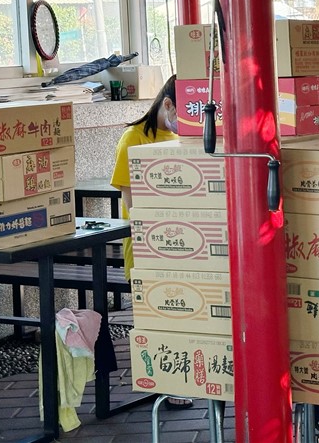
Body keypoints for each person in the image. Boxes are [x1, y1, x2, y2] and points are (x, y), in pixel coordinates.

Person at [109, 74, 190, 410]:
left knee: (182, 314)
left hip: (186, 244)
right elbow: (131, 202)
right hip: (146, 244)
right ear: (167, 103)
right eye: (183, 112)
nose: (187, 122)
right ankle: (166, 383)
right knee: (155, 315)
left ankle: (178, 377)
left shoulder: (189, 137)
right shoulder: (134, 138)